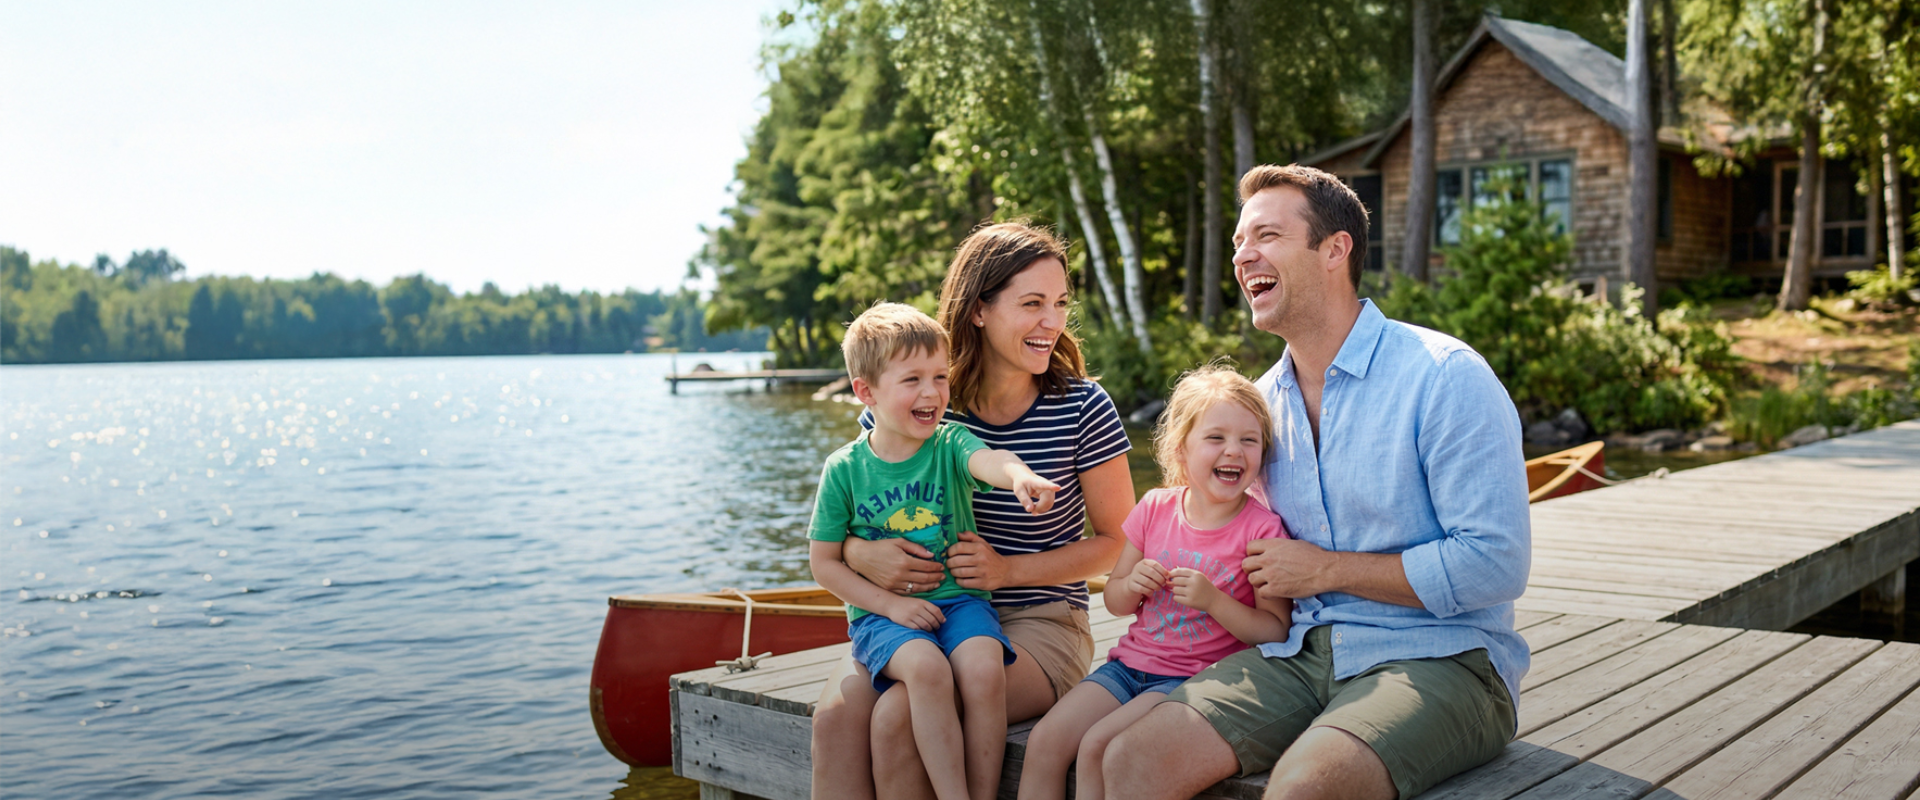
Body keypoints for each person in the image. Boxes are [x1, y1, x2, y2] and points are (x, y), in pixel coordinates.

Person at [1101, 164, 1531, 800]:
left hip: (1445, 657)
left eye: (1267, 236)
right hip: (1299, 651)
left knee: (1304, 789)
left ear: (1335, 250)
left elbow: (1494, 565)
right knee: (1131, 759)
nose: (1244, 256)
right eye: (1239, 244)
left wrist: (1327, 570)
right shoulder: (1260, 409)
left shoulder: (1444, 376)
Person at [811, 223, 1135, 800]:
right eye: (1031, 303)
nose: (1052, 321)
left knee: (896, 720)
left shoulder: (1082, 405)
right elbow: (853, 509)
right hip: (918, 615)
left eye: (1060, 303)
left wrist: (1008, 572)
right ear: (980, 309)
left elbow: (1119, 543)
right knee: (835, 718)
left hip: (1041, 618)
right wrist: (864, 554)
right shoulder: (922, 395)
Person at [808, 302, 1063, 800]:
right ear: (866, 392)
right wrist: (892, 605)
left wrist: (1020, 476)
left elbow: (991, 460)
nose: (932, 393)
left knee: (985, 666)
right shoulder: (844, 469)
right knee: (926, 670)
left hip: (962, 602)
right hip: (885, 617)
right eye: (912, 380)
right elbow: (824, 562)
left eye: (940, 377)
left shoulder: (949, 444)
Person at [1017, 365, 1291, 800]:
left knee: (1095, 748)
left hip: (1189, 681)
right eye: (1216, 438)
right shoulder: (1155, 508)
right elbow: (1117, 602)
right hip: (1126, 668)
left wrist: (1215, 601)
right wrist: (1132, 584)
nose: (1234, 451)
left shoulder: (1262, 530)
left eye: (1249, 440)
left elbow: (1276, 628)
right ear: (1181, 448)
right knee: (1046, 740)